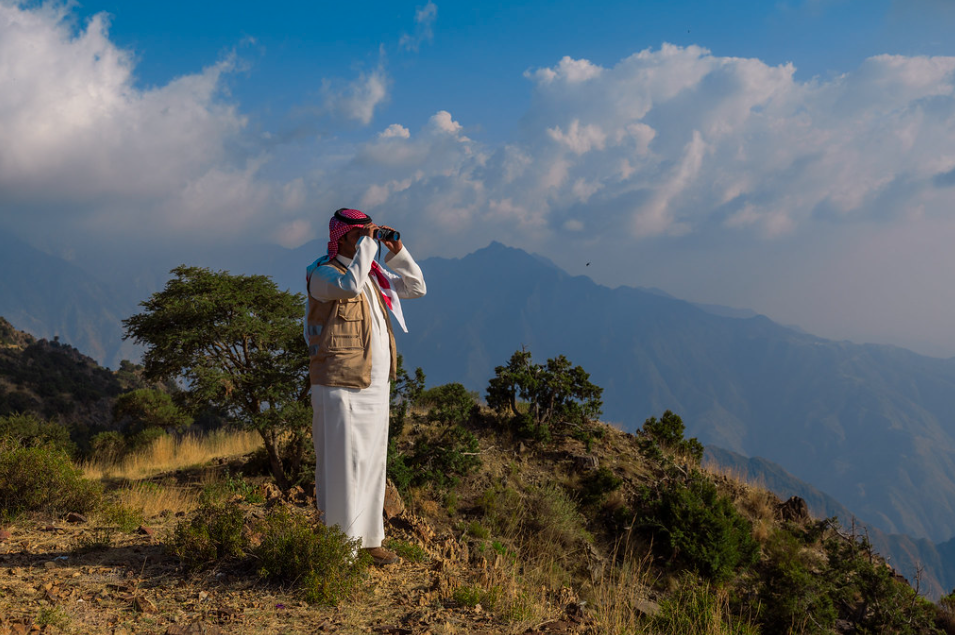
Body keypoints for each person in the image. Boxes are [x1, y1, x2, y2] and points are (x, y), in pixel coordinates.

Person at [305, 208, 426, 565]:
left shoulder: (373, 273)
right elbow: (350, 286)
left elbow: (417, 287)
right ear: (341, 237)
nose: (367, 238)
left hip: (374, 386)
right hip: (339, 385)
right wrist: (369, 250)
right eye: (360, 233)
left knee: (373, 460)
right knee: (343, 462)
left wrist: (396, 249)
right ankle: (342, 547)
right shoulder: (325, 274)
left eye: (369, 232)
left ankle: (371, 539)